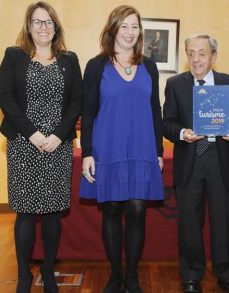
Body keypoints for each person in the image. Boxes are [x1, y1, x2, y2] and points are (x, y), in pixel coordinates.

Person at [0, 2, 83, 292]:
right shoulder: (14, 56)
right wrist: (32, 134)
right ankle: (24, 274)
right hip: (24, 143)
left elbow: (76, 101)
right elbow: (6, 97)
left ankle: (47, 272)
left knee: (52, 212)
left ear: (55, 27)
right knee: (24, 212)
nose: (43, 27)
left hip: (58, 145)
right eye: (37, 22)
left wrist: (58, 135)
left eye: (48, 22)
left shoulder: (69, 60)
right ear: (29, 26)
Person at [79, 5, 164, 293]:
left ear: (140, 32)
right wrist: (87, 152)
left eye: (135, 27)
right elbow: (87, 112)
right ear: (113, 28)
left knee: (138, 210)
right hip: (108, 148)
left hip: (142, 148)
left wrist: (159, 151)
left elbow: (155, 110)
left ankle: (132, 276)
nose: (130, 32)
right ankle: (115, 275)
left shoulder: (149, 66)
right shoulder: (95, 66)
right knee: (113, 209)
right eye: (124, 26)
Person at [162, 34, 229, 293]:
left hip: (222, 157)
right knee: (189, 222)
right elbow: (167, 123)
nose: (196, 59)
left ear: (213, 56)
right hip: (190, 158)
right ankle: (191, 276)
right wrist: (182, 133)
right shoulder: (175, 84)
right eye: (191, 53)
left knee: (225, 221)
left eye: (201, 53)